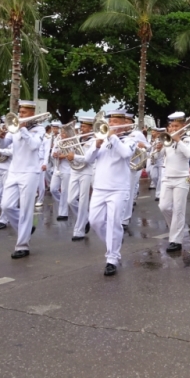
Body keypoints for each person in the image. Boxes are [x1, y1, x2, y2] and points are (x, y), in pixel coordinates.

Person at [82, 110, 136, 276]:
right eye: (110, 120)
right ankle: (115, 241)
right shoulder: (100, 139)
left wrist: (112, 137)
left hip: (118, 188)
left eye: (115, 121)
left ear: (123, 123)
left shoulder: (129, 139)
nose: (111, 123)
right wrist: (97, 145)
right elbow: (87, 159)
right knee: (95, 221)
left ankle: (112, 258)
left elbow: (126, 154)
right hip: (99, 187)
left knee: (114, 223)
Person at [1, 101, 45, 258]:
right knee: (6, 206)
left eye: (24, 112)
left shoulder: (39, 130)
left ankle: (22, 246)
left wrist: (23, 129)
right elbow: (5, 143)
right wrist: (1, 136)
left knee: (26, 210)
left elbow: (34, 145)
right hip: (14, 171)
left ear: (32, 114)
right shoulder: (14, 128)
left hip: (30, 172)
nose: (20, 115)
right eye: (20, 112)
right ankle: (25, 229)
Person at [158, 112, 190, 253]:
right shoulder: (166, 140)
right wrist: (157, 149)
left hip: (182, 179)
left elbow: (189, 154)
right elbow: (157, 157)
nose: (173, 128)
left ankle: (176, 240)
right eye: (171, 126)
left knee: (179, 209)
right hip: (167, 178)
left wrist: (178, 140)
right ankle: (174, 229)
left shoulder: (189, 139)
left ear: (183, 126)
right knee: (164, 207)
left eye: (176, 126)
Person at [65, 116, 95, 240]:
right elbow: (70, 152)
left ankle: (79, 230)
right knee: (70, 200)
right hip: (75, 171)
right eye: (81, 126)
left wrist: (74, 157)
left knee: (83, 201)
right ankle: (86, 218)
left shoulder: (94, 141)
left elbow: (89, 158)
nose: (81, 129)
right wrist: (68, 154)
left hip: (86, 171)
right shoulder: (77, 138)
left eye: (84, 126)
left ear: (90, 128)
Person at [50, 123, 72, 221]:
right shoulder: (58, 141)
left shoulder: (72, 142)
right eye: (61, 133)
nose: (62, 135)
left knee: (64, 191)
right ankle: (64, 204)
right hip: (57, 168)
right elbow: (52, 153)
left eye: (64, 133)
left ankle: (63, 213)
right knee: (53, 189)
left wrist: (63, 156)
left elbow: (73, 155)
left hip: (67, 169)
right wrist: (54, 154)